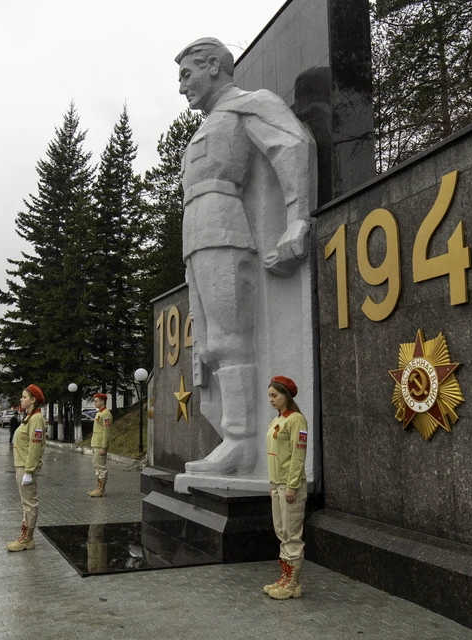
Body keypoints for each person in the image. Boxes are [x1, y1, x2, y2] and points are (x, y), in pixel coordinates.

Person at [175, 38, 316, 477]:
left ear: (214, 65)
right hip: (196, 230)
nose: (182, 88)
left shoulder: (249, 105)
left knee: (231, 339)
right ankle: (232, 439)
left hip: (224, 224)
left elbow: (291, 146)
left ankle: (241, 442)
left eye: (187, 75)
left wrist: (298, 219)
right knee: (214, 343)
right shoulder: (208, 124)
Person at [263, 376, 307, 600]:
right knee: (282, 533)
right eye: (269, 395)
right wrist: (274, 484)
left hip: (291, 487)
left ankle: (293, 584)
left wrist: (292, 486)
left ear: (285, 396)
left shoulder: (296, 420)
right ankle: (285, 578)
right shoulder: (277, 420)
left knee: (292, 534)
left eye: (274, 395)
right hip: (277, 485)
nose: (270, 399)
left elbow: (298, 456)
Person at [9, 384, 46, 552]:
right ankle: (25, 536)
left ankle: (27, 539)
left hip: (26, 467)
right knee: (26, 503)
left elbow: (35, 447)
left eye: (24, 397)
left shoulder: (36, 419)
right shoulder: (29, 417)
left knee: (29, 503)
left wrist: (29, 471)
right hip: (22, 465)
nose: (21, 399)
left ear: (33, 400)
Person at [88, 393, 112, 497]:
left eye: (97, 401)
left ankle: (101, 489)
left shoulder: (105, 414)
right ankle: (98, 487)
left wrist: (104, 446)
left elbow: (107, 432)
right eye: (95, 401)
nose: (95, 403)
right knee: (97, 466)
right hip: (96, 443)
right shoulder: (100, 413)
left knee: (101, 467)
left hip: (100, 445)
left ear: (102, 402)